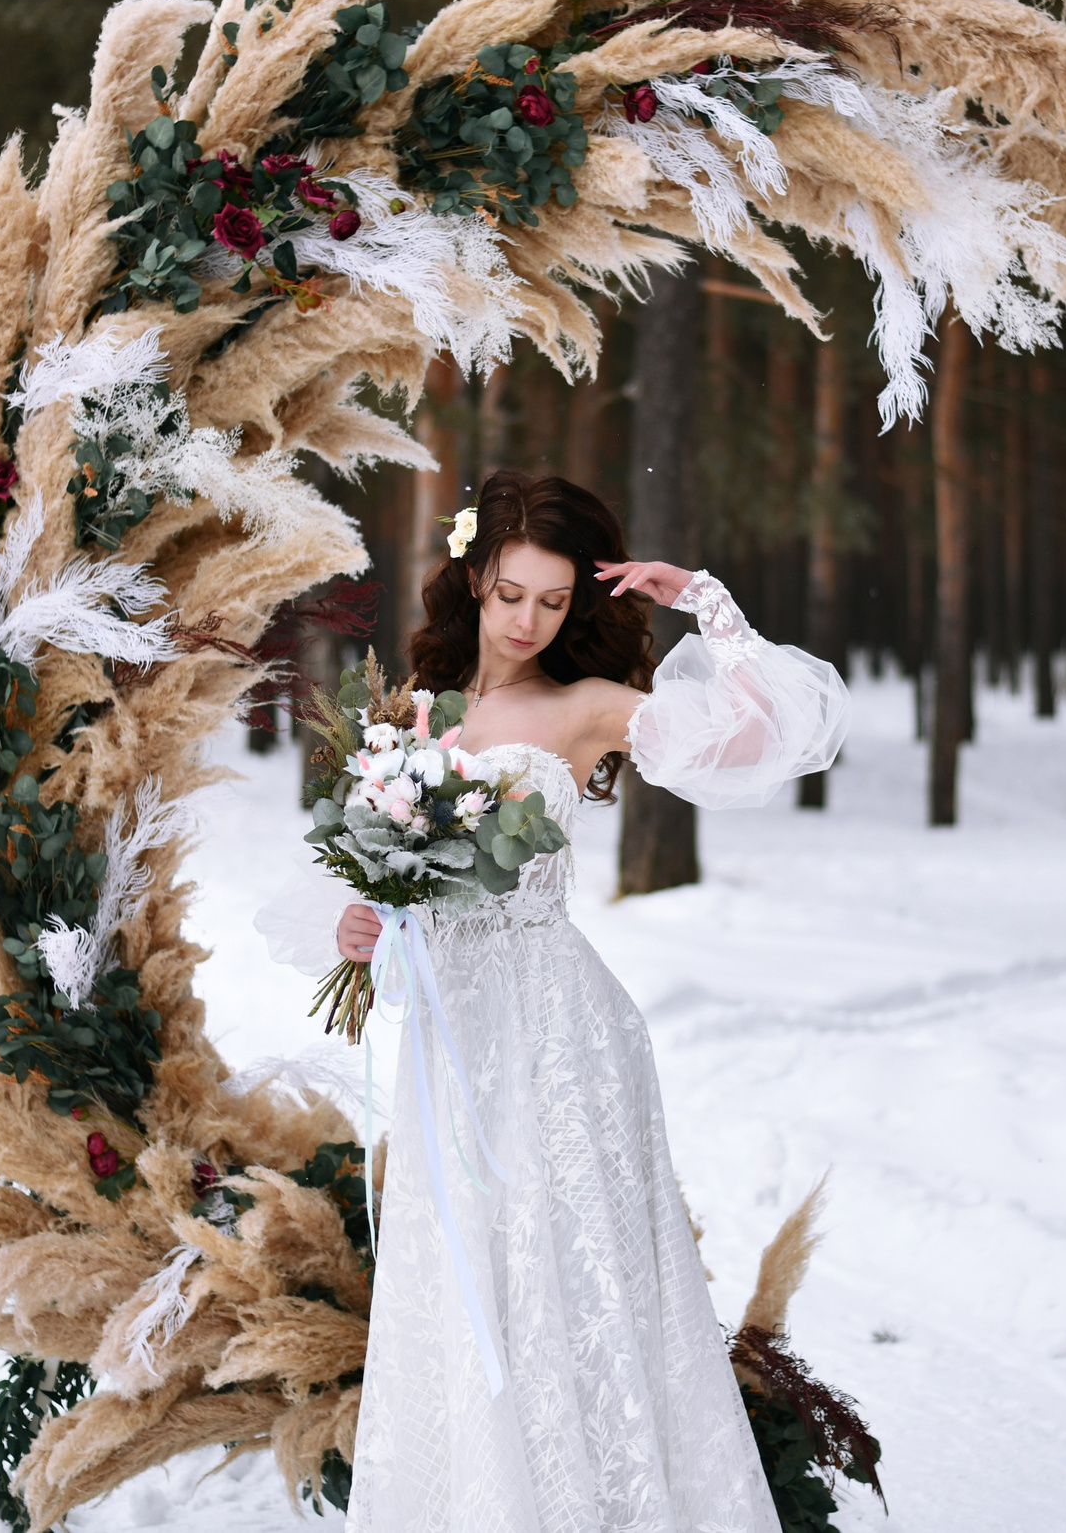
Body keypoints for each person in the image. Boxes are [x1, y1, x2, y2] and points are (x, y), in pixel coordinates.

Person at [255, 467, 848, 1531]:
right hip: (452, 1043)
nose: (529, 619)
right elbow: (362, 891)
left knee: (570, 1283)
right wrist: (362, 925)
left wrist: (702, 602)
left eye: (554, 600)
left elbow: (771, 738)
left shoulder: (584, 708)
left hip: (561, 1033)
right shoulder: (413, 720)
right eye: (511, 592)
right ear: (474, 579)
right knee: (470, 1279)